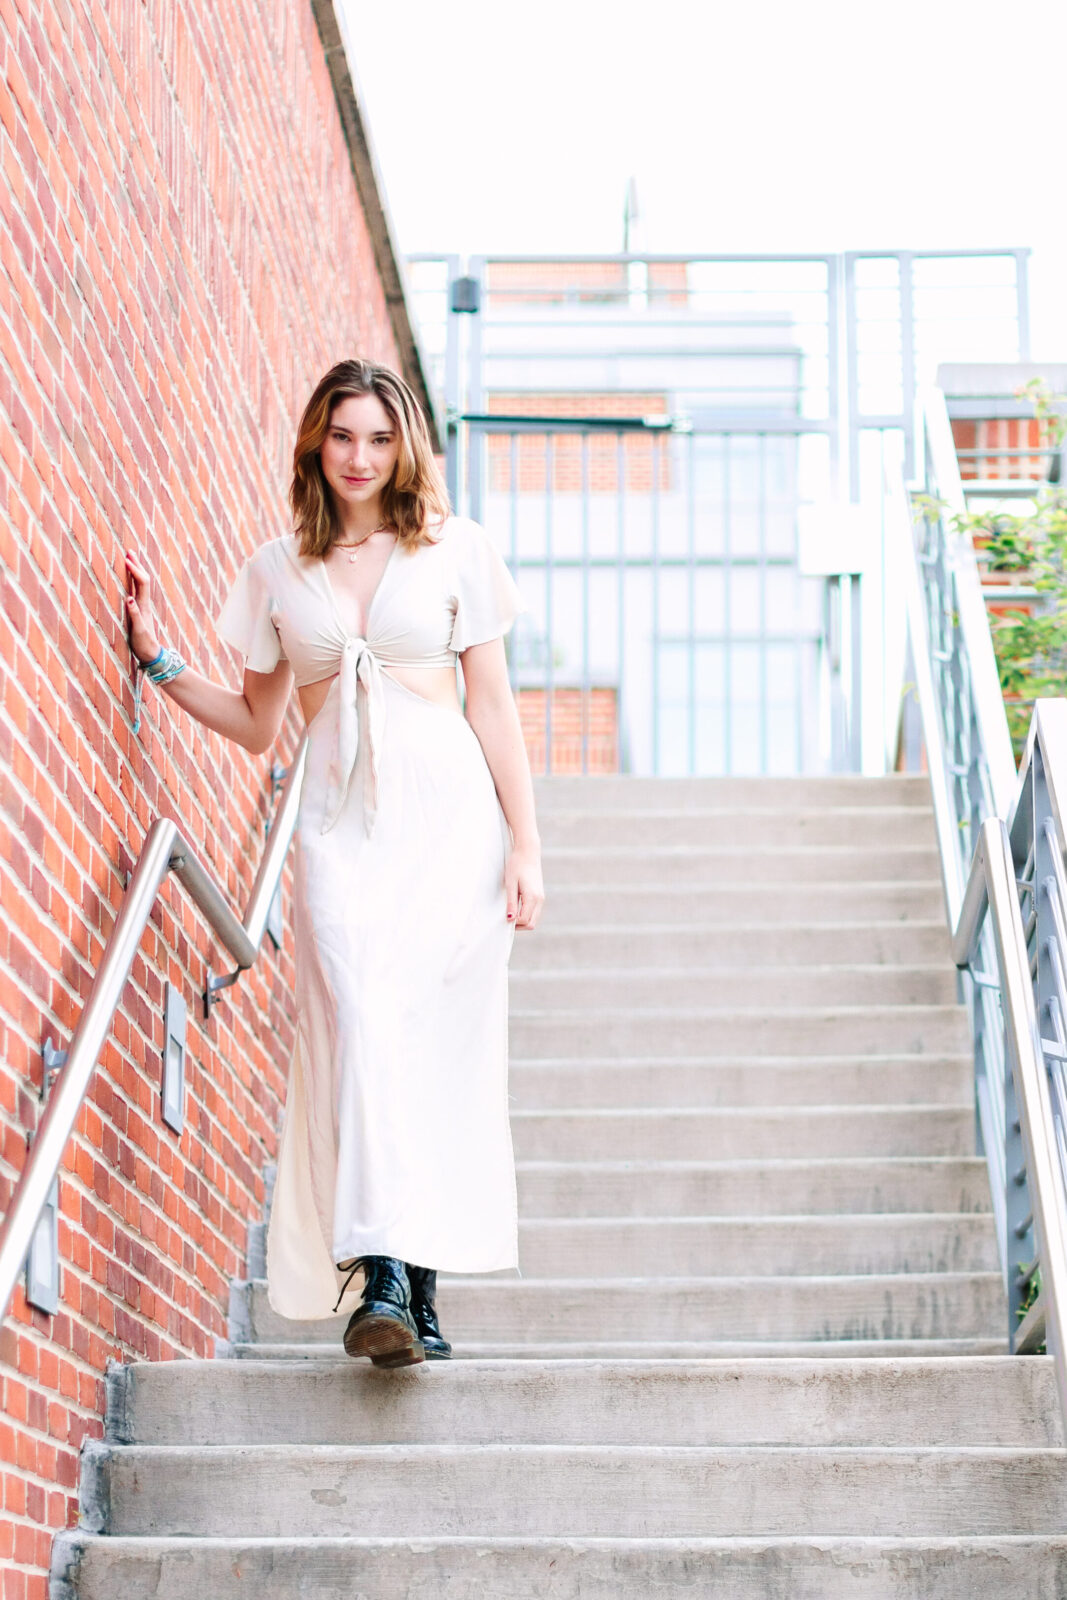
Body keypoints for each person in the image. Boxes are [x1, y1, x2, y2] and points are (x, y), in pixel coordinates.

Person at [124, 357, 544, 1368]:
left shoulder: (453, 551)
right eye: (342, 435)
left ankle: (414, 1290)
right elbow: (262, 724)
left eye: (378, 437)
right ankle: (381, 1271)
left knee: (428, 1050)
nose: (359, 456)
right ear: (316, 441)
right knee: (357, 1023)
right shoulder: (277, 568)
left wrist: (526, 842)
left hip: (450, 827)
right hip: (338, 828)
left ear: (402, 448)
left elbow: (490, 702)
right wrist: (157, 660)